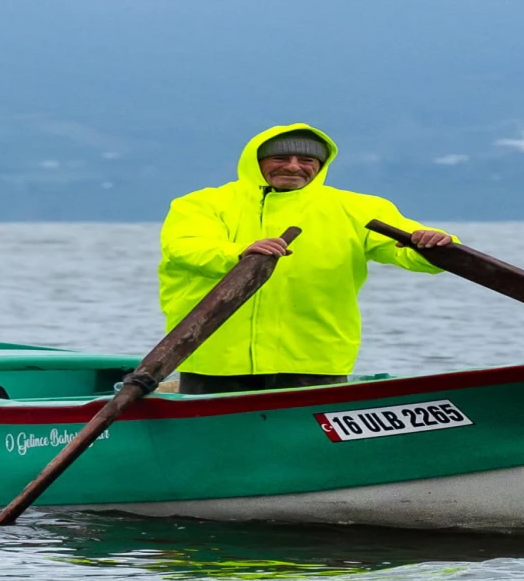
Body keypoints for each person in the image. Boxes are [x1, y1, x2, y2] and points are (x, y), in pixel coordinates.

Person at [158, 123, 455, 395]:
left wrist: (435, 245)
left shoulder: (359, 208)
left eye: (306, 159)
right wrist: (240, 254)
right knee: (215, 431)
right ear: (255, 162)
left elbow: (409, 253)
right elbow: (186, 248)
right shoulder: (200, 204)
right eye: (280, 158)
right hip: (214, 355)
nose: (293, 166)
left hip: (314, 357)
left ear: (321, 165)